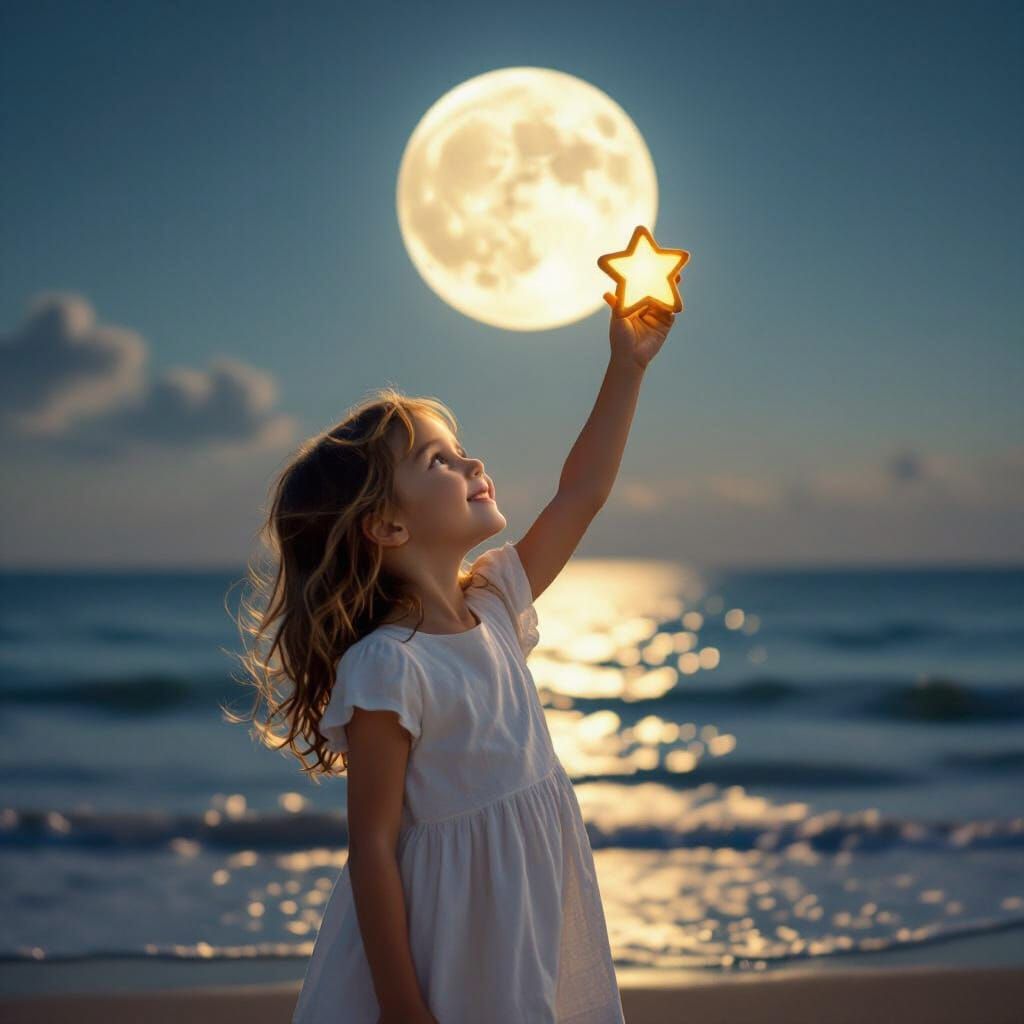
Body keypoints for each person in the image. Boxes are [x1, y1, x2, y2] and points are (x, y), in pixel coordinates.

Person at [231, 293, 677, 1023]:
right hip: (448, 944)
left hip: (521, 922)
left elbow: (582, 491)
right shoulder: (388, 667)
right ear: (384, 523)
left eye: (459, 446)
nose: (471, 461)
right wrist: (406, 1010)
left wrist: (625, 366)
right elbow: (371, 851)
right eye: (438, 460)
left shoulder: (498, 600)